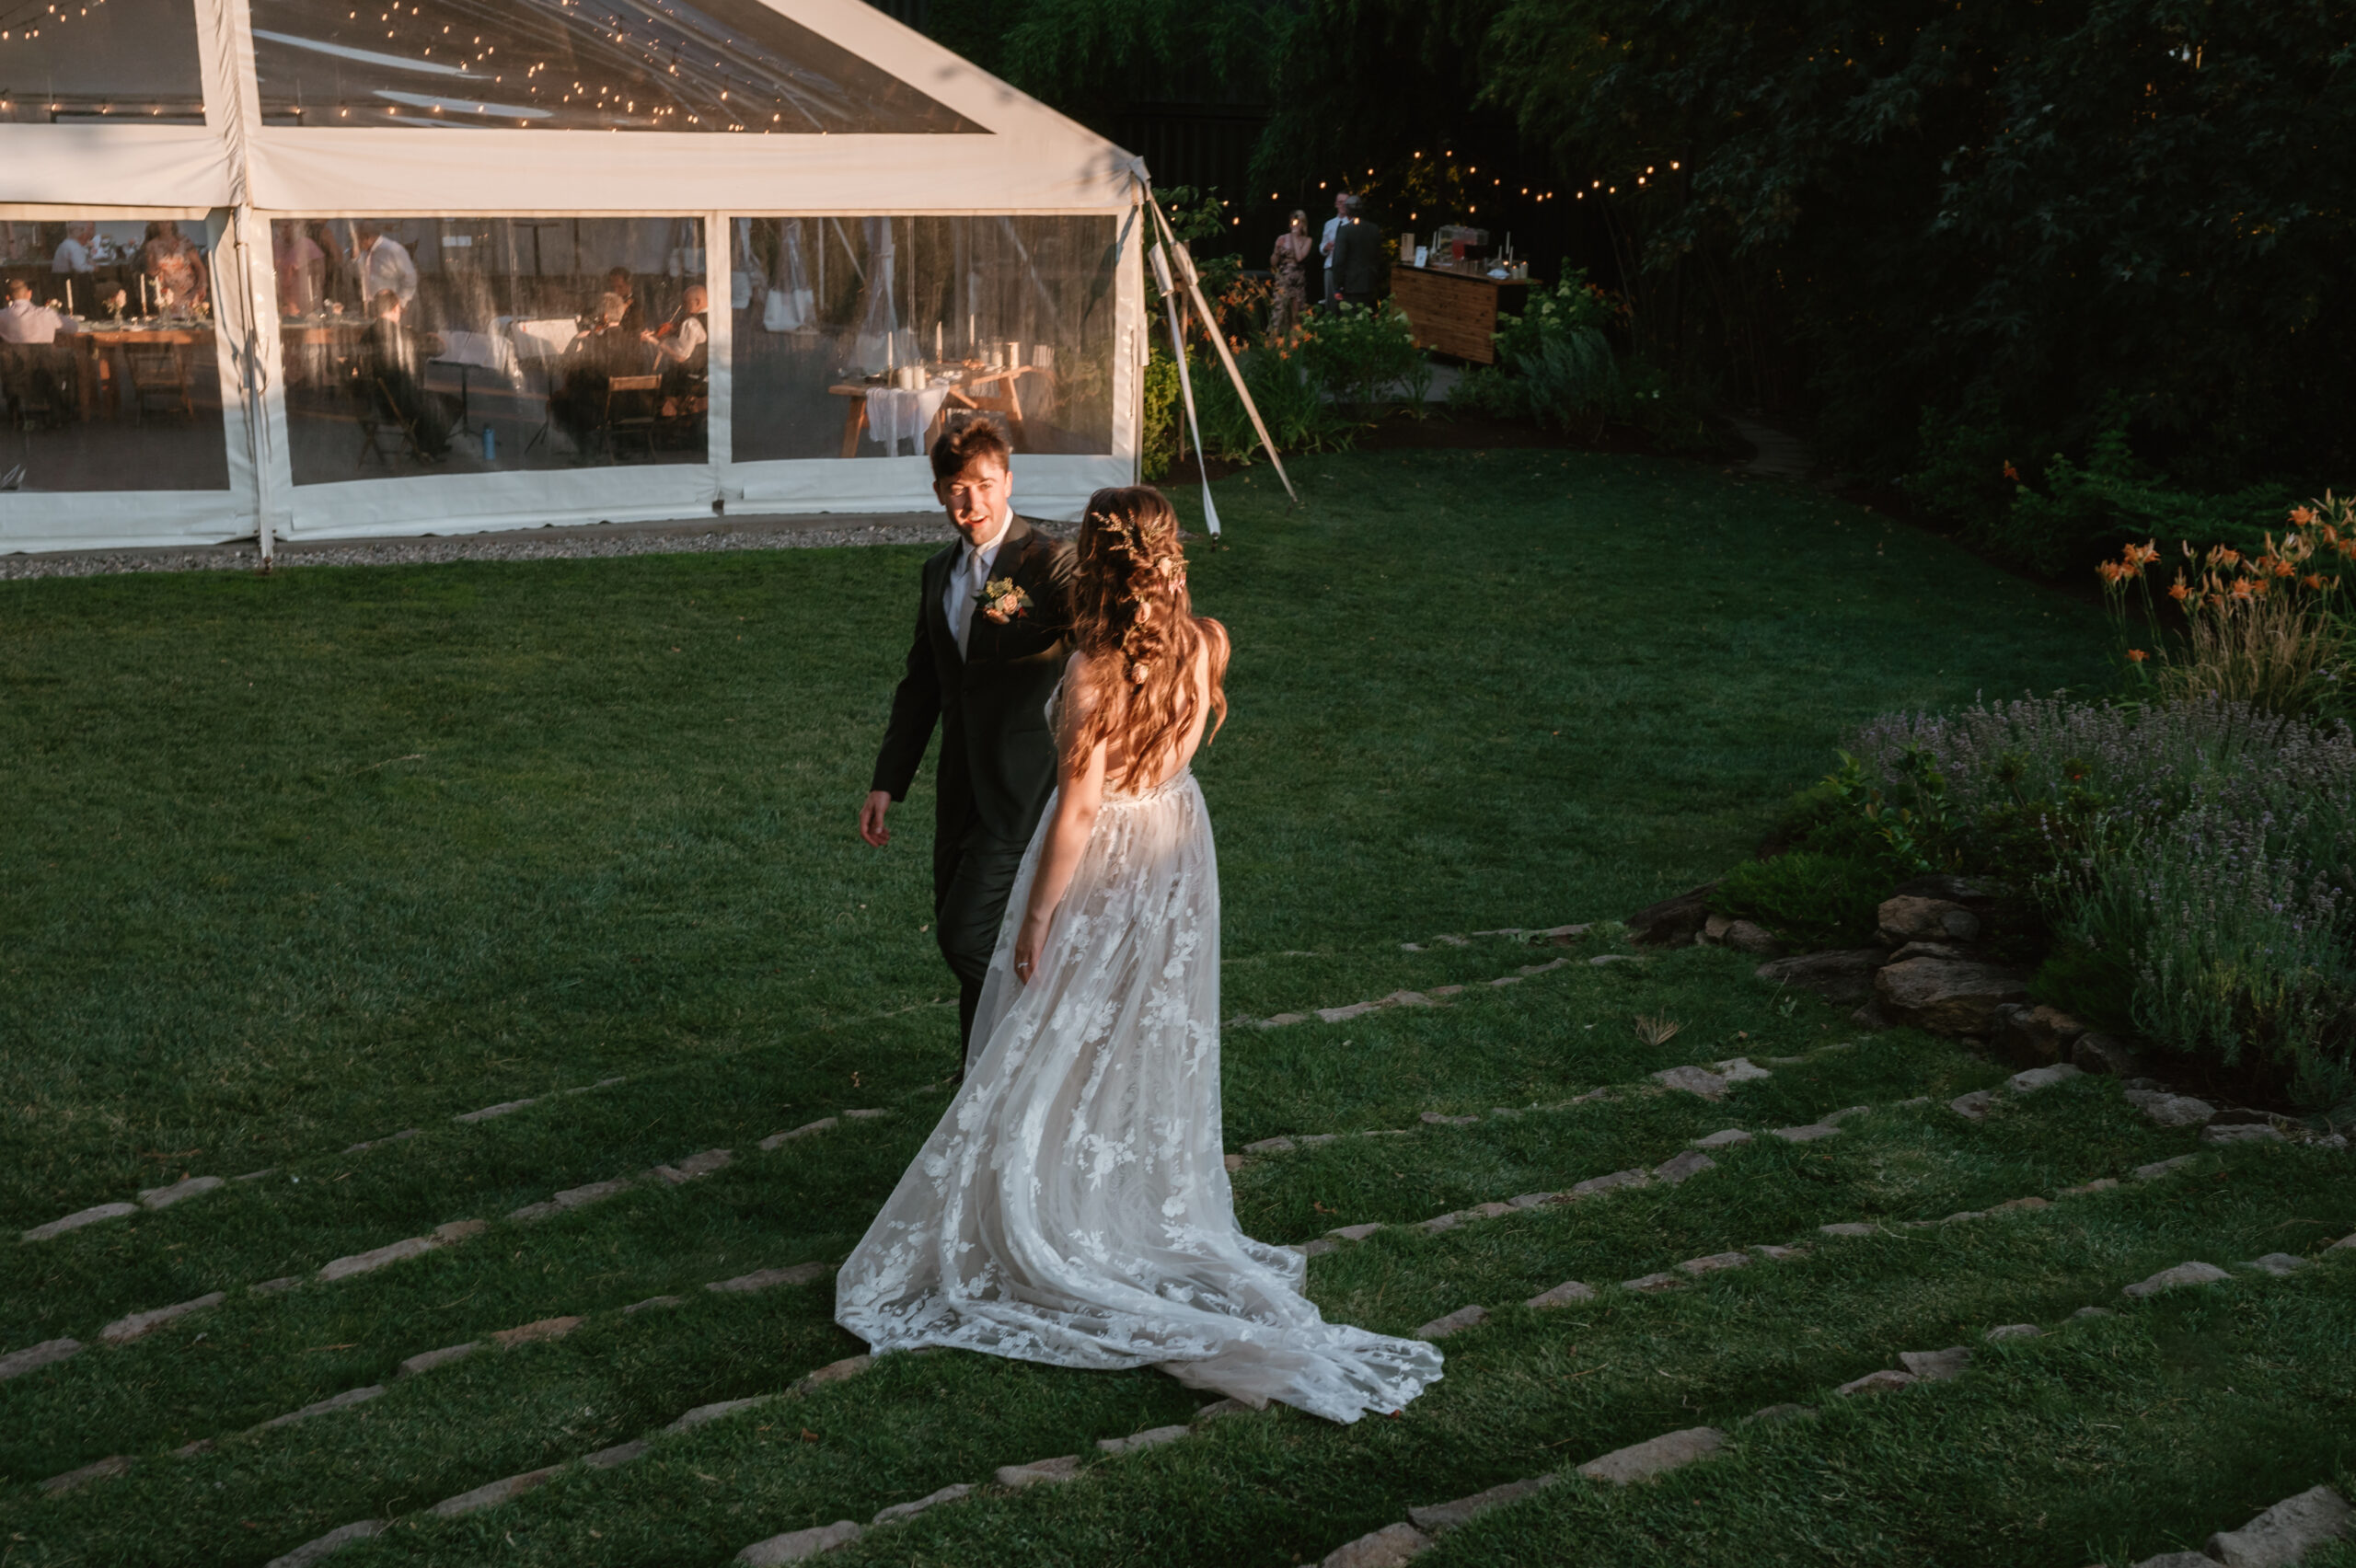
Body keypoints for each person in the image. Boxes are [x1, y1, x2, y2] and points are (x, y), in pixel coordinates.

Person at [837, 485, 1445, 1424]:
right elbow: (1177, 750)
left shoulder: (1089, 670)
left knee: (1060, 1026)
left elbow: (1078, 808)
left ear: (1097, 559)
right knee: (1132, 1025)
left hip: (1110, 856)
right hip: (1177, 844)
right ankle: (1110, 1181)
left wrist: (1036, 919)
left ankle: (1054, 1197)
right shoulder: (1209, 642)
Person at [861, 420, 1077, 1064]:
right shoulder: (938, 574)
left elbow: (1080, 625)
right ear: (938, 493)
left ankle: (1039, 1048)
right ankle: (978, 1083)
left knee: (965, 936)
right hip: (959, 788)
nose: (972, 504)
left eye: (985, 485)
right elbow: (923, 684)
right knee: (973, 930)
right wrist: (886, 782)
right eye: (958, 489)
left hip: (1025, 784)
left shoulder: (1048, 561)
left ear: (1008, 481)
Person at [358, 289, 449, 458]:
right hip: (400, 405)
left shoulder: (366, 334)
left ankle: (424, 446)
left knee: (419, 395)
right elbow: (439, 349)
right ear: (394, 308)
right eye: (399, 308)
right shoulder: (404, 334)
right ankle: (427, 449)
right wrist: (430, 337)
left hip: (373, 404)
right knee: (445, 402)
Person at [641, 282, 708, 399]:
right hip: (709, 376)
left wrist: (654, 341)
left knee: (653, 389)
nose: (683, 306)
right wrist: (670, 331)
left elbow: (680, 356)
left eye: (685, 302)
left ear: (697, 302)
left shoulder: (691, 323)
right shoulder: (714, 318)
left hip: (692, 379)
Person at [1327, 195, 1383, 309]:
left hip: (1351, 284)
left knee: (1352, 320)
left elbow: (1339, 260)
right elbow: (1378, 256)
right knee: (1367, 318)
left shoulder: (1345, 230)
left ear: (1347, 211)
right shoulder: (1374, 229)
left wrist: (1337, 286)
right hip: (1370, 281)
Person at [142, 221, 207, 311]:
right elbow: (152, 273)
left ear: (172, 223)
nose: (165, 225)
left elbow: (199, 266)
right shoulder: (152, 246)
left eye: (167, 222)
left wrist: (202, 286)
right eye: (161, 223)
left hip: (191, 293)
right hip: (169, 297)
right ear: (156, 225)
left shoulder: (184, 241)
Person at [1270, 210, 1314, 337]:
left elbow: (1300, 258)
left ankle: (1294, 344)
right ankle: (1274, 343)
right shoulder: (1282, 238)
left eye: (1297, 222)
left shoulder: (1307, 240)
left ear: (1303, 224)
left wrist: (1295, 237)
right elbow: (1273, 263)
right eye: (1292, 222)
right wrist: (1277, 249)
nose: (1293, 225)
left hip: (1297, 279)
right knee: (1280, 311)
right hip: (1283, 277)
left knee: (1296, 314)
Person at [352, 223, 417, 310]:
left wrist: (401, 303)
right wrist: (354, 257)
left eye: (358, 240)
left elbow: (410, 278)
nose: (357, 244)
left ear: (367, 238)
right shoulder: (365, 254)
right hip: (374, 307)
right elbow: (356, 273)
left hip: (392, 308)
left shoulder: (393, 250)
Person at [273, 220, 326, 316]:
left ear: (296, 226)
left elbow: (319, 277)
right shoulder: (277, 246)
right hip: (284, 305)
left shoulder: (306, 245)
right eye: (279, 227)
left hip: (306, 303)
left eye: (286, 227)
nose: (282, 231)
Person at [0, 280, 75, 344]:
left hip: (14, 360)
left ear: (7, 298)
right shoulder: (47, 314)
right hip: (45, 359)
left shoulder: (2, 316)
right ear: (30, 294)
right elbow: (73, 327)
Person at [1317, 190, 1349, 314]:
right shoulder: (1329, 224)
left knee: (1345, 303)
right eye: (1340, 202)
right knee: (1330, 302)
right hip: (1330, 266)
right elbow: (1321, 246)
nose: (1343, 205)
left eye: (1346, 203)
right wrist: (1325, 247)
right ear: (1336, 204)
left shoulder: (1353, 224)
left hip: (1346, 269)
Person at [602, 267, 644, 336]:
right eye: (613, 287)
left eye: (620, 287)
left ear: (629, 285)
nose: (616, 291)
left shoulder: (637, 305)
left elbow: (637, 329)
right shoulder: (607, 301)